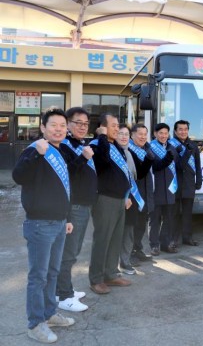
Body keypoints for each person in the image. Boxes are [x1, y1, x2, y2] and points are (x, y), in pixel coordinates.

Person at [13, 108, 76, 343]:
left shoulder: (59, 151)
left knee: (52, 273)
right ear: (43, 128)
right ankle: (35, 324)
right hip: (40, 224)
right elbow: (18, 177)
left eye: (62, 125)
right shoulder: (35, 150)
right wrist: (36, 155)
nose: (59, 129)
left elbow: (64, 189)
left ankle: (49, 314)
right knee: (38, 276)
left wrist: (67, 218)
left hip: (59, 223)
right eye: (54, 125)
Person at [56, 107, 96, 312]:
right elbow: (68, 173)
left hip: (84, 204)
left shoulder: (79, 144)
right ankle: (63, 295)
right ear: (68, 123)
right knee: (69, 252)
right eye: (77, 122)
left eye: (85, 123)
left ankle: (63, 289)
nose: (82, 126)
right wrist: (84, 158)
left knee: (74, 250)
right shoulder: (63, 146)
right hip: (74, 206)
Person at [88, 113, 132, 294]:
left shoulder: (115, 146)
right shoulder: (96, 145)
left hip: (120, 199)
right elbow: (104, 163)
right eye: (113, 125)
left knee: (115, 239)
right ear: (103, 127)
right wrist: (101, 136)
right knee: (103, 239)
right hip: (105, 199)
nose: (117, 128)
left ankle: (111, 274)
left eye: (117, 125)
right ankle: (96, 279)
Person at [116, 125, 152, 275]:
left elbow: (141, 172)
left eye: (126, 134)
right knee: (121, 230)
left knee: (133, 228)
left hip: (134, 197)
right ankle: (121, 261)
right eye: (121, 134)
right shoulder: (115, 152)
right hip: (120, 197)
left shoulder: (130, 153)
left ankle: (127, 258)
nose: (124, 137)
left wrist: (149, 160)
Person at [149, 122, 179, 254]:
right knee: (155, 219)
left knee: (169, 218)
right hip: (157, 189)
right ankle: (154, 245)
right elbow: (155, 166)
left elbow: (178, 165)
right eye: (160, 133)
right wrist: (167, 159)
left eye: (166, 133)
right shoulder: (150, 147)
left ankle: (166, 243)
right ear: (155, 134)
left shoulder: (172, 147)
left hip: (170, 189)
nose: (163, 135)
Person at [172, 120, 202, 247]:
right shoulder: (171, 144)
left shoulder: (193, 145)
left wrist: (199, 180)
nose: (183, 132)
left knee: (187, 214)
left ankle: (187, 238)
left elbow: (197, 164)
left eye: (185, 129)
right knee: (173, 214)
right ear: (175, 131)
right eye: (180, 129)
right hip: (175, 184)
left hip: (189, 183)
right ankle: (173, 239)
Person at [130, 124, 156, 263]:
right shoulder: (128, 149)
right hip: (135, 194)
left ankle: (138, 249)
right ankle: (129, 254)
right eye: (140, 134)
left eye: (145, 134)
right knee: (131, 226)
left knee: (141, 224)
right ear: (132, 135)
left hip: (146, 193)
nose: (143, 137)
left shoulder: (147, 149)